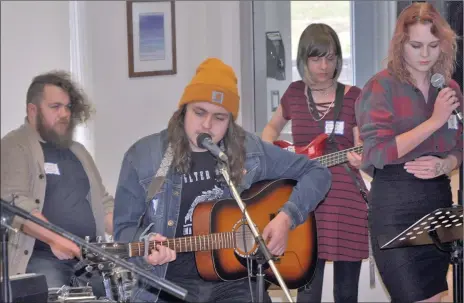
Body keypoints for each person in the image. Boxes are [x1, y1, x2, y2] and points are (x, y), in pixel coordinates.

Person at [113, 57, 332, 303]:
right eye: (199, 112)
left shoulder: (249, 150)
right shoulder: (145, 158)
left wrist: (286, 218)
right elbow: (123, 230)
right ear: (184, 109)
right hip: (166, 283)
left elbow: (318, 172)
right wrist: (146, 245)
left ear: (230, 121)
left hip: (235, 283)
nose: (207, 124)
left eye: (219, 117)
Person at [355, 3, 463, 302]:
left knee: (436, 297)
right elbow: (377, 153)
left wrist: (447, 164)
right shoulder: (380, 87)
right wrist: (434, 121)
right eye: (416, 46)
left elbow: (460, 145)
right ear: (401, 45)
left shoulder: (449, 88)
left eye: (432, 45)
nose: (425, 54)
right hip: (395, 207)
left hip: (438, 204)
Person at [261, 23, 369, 303]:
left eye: (331, 58)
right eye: (316, 58)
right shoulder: (294, 94)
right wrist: (273, 156)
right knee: (308, 291)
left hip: (346, 202)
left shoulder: (354, 96)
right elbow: (270, 130)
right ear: (303, 60)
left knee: (346, 294)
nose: (324, 66)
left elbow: (362, 147)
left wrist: (361, 159)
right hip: (306, 200)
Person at [1, 71, 114, 296]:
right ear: (32, 110)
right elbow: (17, 204)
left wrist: (135, 233)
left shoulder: (79, 151)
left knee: (123, 291)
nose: (64, 114)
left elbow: (104, 204)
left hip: (88, 260)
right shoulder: (14, 145)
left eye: (68, 107)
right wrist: (55, 239)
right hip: (40, 258)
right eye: (55, 107)